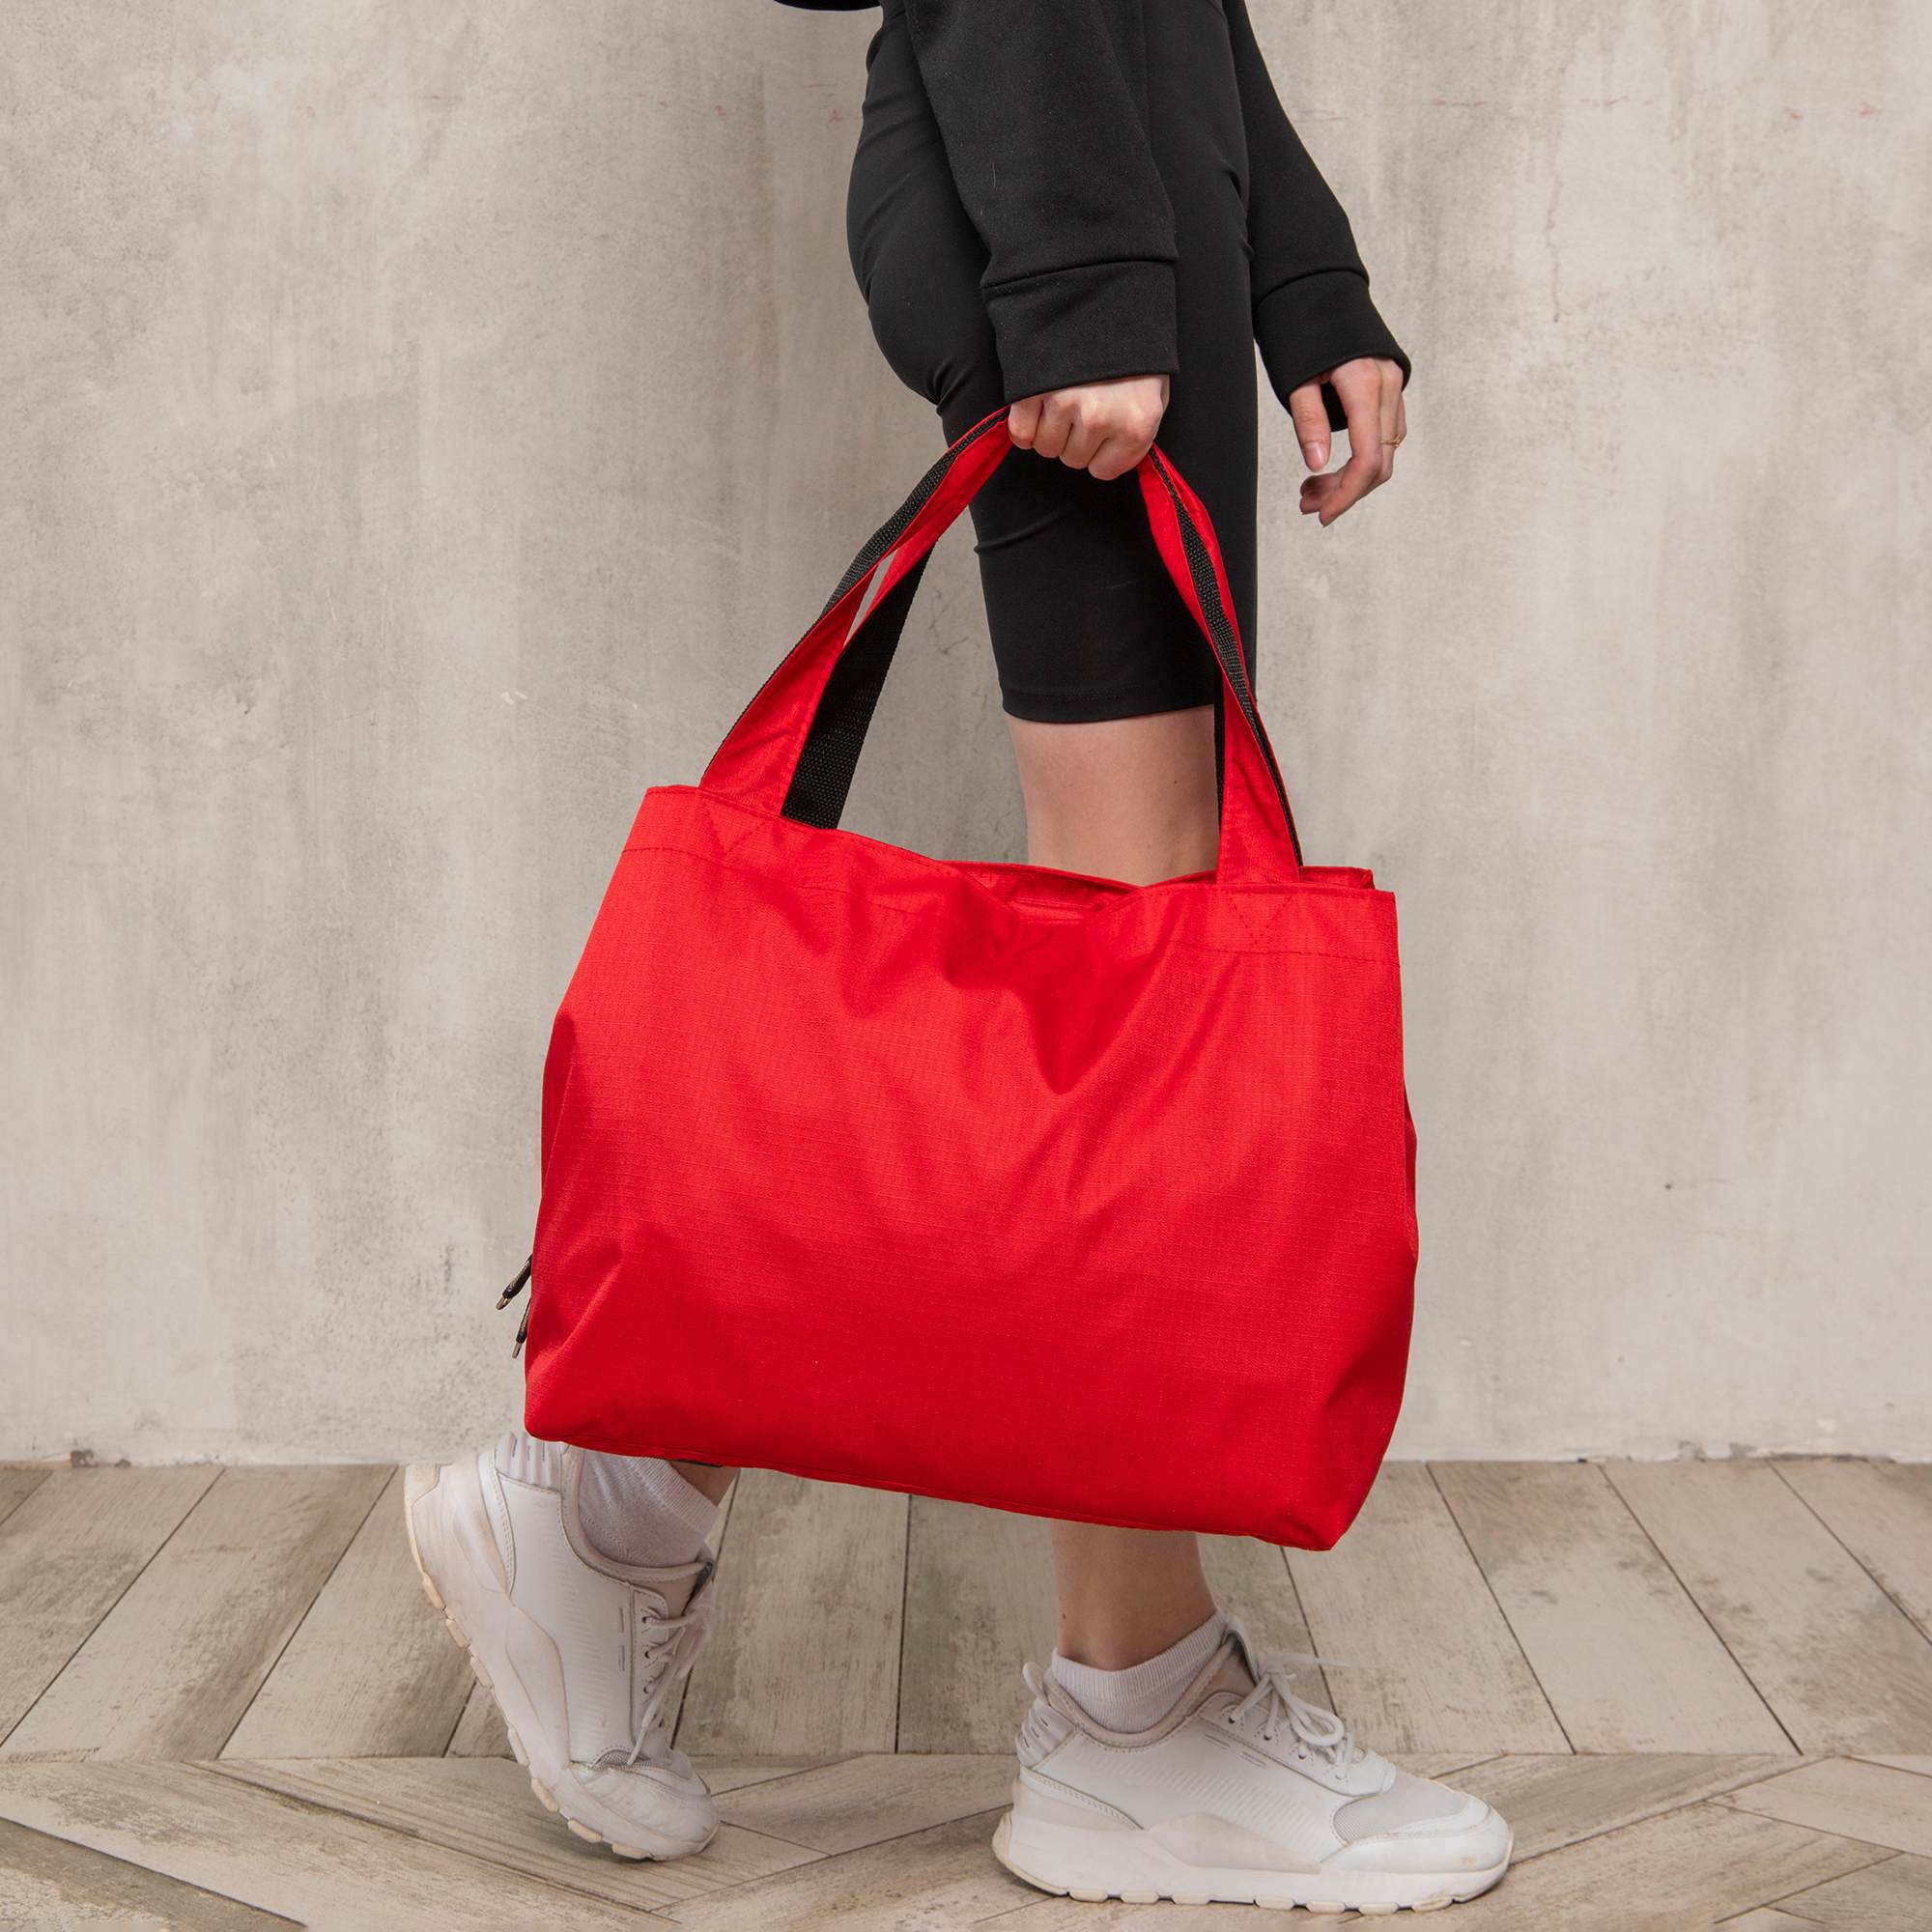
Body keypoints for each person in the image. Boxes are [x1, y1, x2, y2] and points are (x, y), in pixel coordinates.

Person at [405, 0, 1514, 1912]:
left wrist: (1296, 259)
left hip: (1123, 149)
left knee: (1149, 949)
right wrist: (1080, 261)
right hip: (1058, 152)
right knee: (1143, 973)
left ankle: (612, 1505)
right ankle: (1134, 1721)